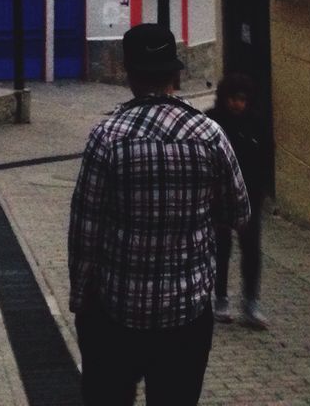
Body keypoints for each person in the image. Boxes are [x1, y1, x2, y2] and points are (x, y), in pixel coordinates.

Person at [68, 25, 250, 406]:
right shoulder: (210, 134)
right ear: (175, 74)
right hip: (186, 316)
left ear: (129, 74)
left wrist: (82, 298)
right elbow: (238, 212)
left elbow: (85, 230)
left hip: (116, 313)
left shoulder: (107, 136)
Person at [207, 73, 272, 329]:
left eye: (242, 100)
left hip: (249, 196)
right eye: (233, 99)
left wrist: (262, 190)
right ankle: (220, 298)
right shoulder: (213, 122)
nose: (237, 104)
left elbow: (266, 156)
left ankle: (250, 302)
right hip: (219, 195)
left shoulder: (255, 124)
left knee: (251, 249)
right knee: (221, 248)